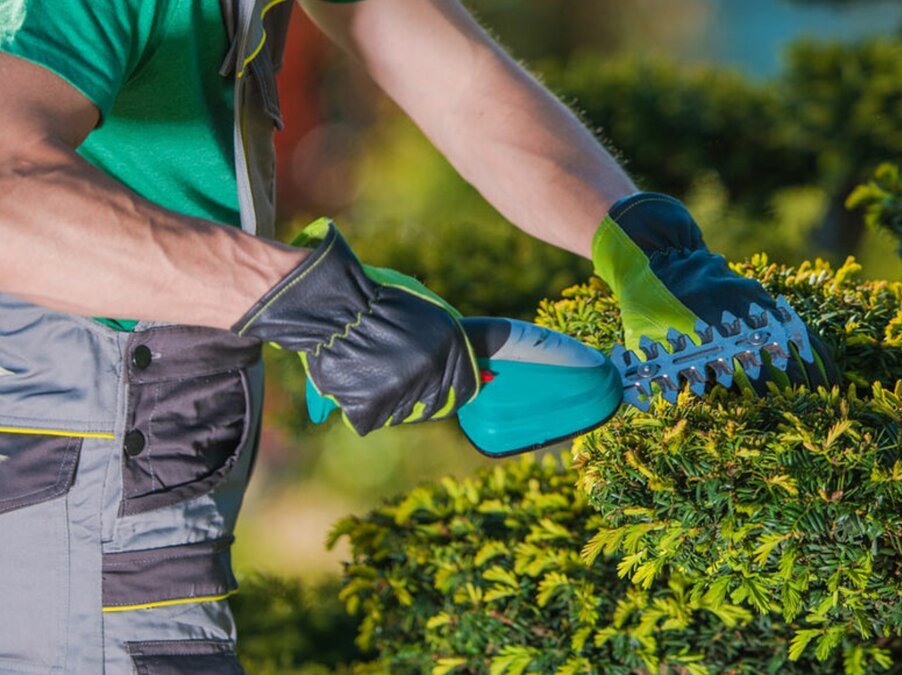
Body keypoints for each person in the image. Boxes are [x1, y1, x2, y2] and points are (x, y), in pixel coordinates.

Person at [0, 1, 833, 672]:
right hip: (74, 491)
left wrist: (640, 238)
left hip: (153, 469)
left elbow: (459, 82)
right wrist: (311, 302)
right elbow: (10, 196)